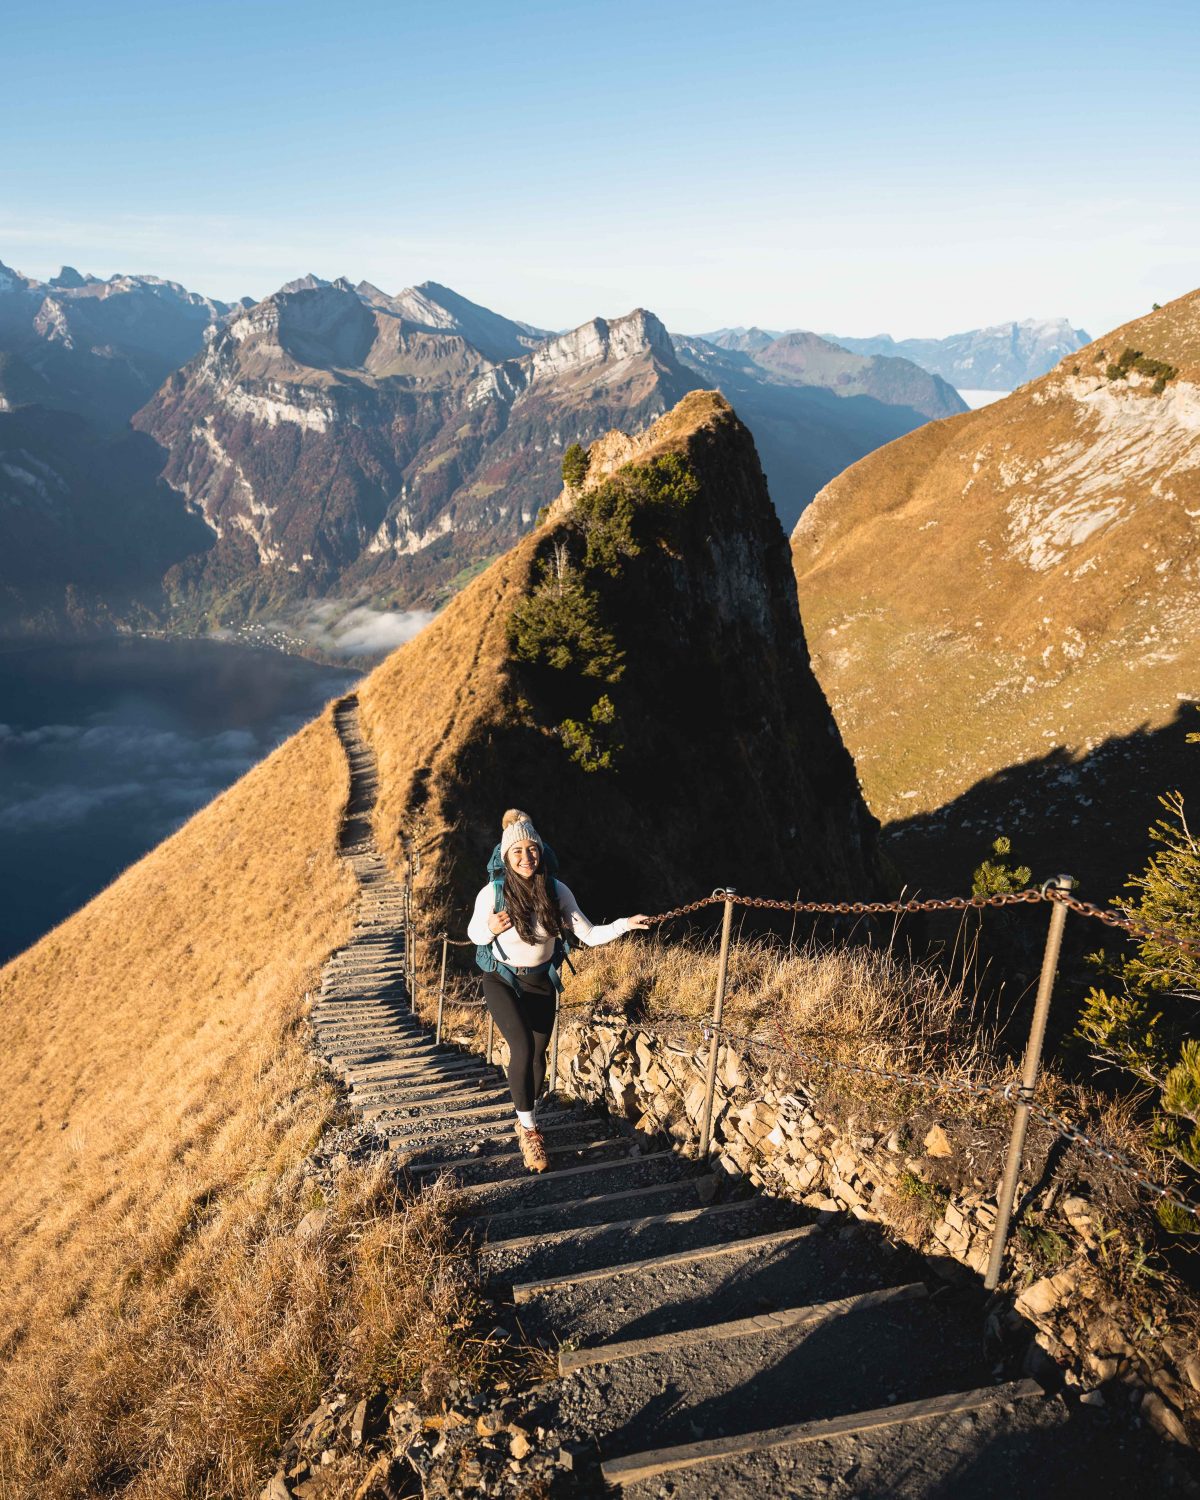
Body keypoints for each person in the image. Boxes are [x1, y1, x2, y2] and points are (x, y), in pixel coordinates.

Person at [467, 809, 649, 1172]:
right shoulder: (494, 893)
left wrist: (624, 924)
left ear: (540, 851)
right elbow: (474, 935)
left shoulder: (555, 890)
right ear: (505, 856)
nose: (525, 858)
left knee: (536, 1058)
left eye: (531, 849)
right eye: (517, 851)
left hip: (539, 982)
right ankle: (530, 1132)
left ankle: (526, 1108)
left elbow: (589, 933)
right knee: (520, 1046)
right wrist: (490, 928)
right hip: (502, 979)